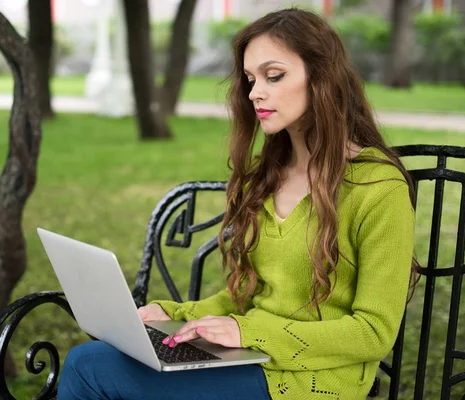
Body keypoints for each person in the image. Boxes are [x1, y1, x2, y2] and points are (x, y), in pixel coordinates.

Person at [57, 7, 417, 400]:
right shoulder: (270, 175)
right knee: (101, 357)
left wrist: (247, 331)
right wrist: (174, 316)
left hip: (313, 379)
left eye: (273, 76)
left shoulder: (377, 186)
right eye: (250, 79)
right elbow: (242, 299)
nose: (255, 92)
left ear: (322, 78)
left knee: (89, 366)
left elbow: (374, 332)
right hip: (250, 357)